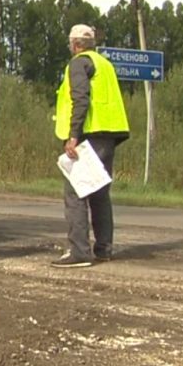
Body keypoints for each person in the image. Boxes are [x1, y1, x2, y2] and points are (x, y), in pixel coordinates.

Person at [52, 24, 130, 268]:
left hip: (89, 136)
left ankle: (79, 252)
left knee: (75, 192)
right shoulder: (104, 64)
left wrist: (73, 135)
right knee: (99, 193)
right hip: (109, 135)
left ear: (75, 44)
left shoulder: (78, 63)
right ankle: (103, 248)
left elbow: (80, 98)